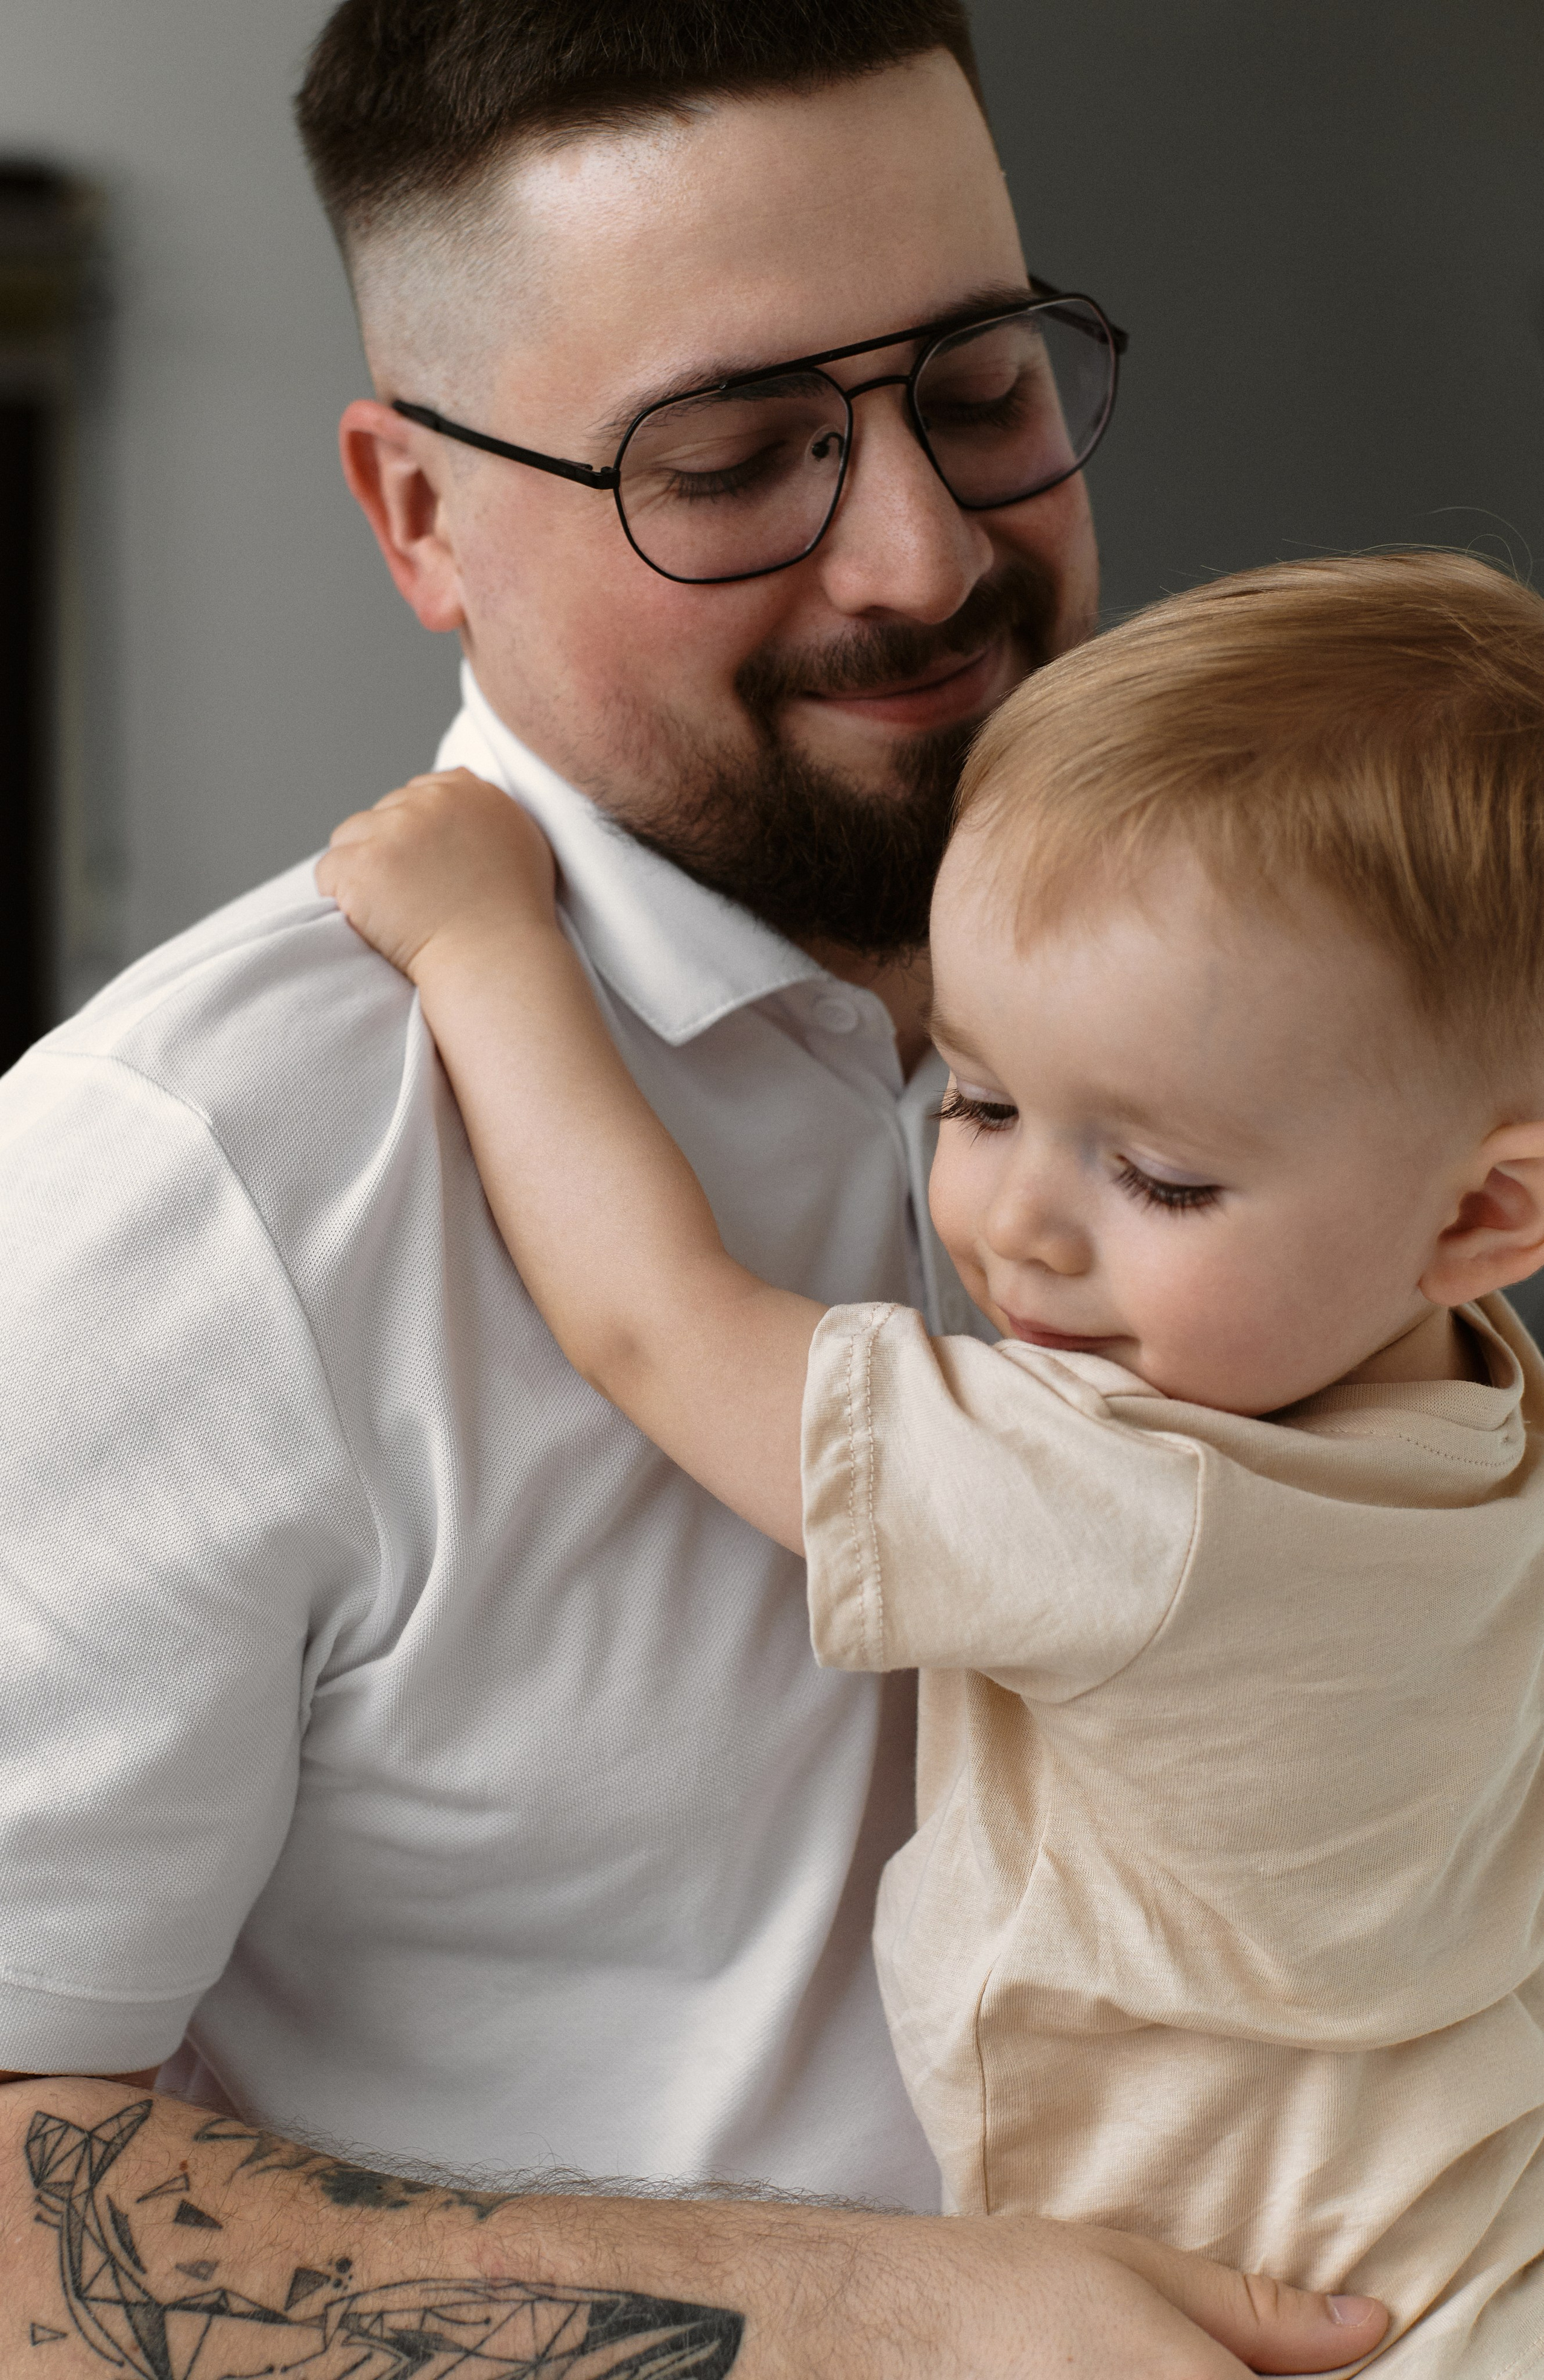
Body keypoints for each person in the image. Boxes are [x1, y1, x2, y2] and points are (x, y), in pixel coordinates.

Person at [0, 3, 1388, 2373]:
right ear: (417, 514)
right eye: (735, 459)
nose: (924, 555)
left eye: (979, 394)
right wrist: (878, 2313)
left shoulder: (1288, 973)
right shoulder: (192, 1187)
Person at [317, 548, 1544, 2377]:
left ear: (1486, 1210)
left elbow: (656, 1322)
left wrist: (483, 941)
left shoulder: (1134, 1503)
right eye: (972, 1099)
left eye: (1162, 1177)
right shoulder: (1479, 1400)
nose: (1014, 1225)